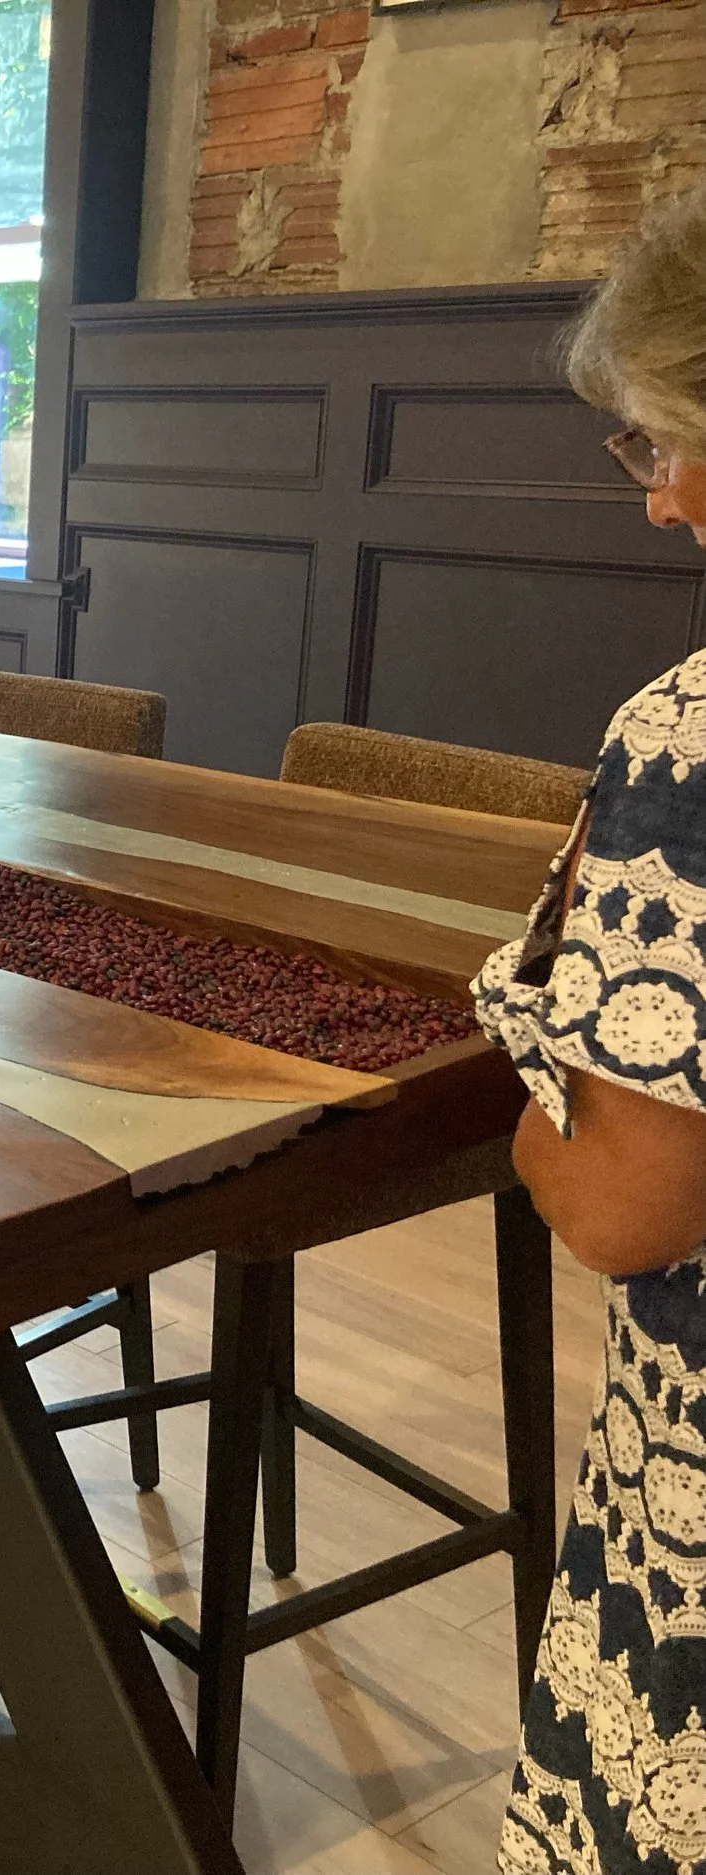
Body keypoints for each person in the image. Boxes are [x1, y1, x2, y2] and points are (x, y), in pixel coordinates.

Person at [482, 184, 706, 1872]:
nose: (667, 500)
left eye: (673, 440)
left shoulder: (684, 742)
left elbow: (625, 1203)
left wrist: (521, 1104)